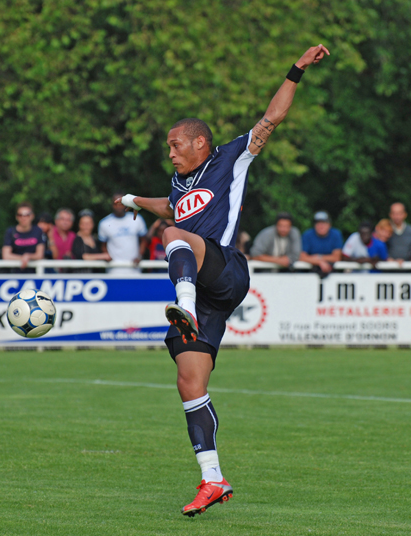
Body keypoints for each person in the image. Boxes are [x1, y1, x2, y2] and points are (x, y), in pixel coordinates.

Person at [115, 45, 330, 516]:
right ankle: (213, 479)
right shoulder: (178, 185)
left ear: (200, 143)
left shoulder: (231, 158)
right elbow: (167, 208)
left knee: (174, 235)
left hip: (227, 270)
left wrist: (296, 68)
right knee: (190, 384)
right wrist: (131, 199)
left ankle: (185, 307)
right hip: (206, 290)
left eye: (175, 144)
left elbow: (272, 117)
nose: (169, 151)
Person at [98, 193, 148, 274]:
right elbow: (103, 245)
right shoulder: (104, 223)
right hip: (114, 268)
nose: (118, 206)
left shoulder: (137, 219)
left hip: (134, 267)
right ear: (112, 205)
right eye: (116, 204)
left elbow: (143, 240)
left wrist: (139, 256)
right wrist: (108, 256)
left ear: (126, 204)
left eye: (121, 203)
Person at [2, 203, 46, 271]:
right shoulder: (10, 231)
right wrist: (22, 258)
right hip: (14, 272)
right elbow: (6, 255)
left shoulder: (38, 231)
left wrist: (29, 256)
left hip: (35, 272)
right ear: (16, 217)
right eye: (20, 215)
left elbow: (40, 254)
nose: (23, 218)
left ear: (32, 216)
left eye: (27, 215)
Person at [299, 211, 343, 276]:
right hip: (311, 271)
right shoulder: (307, 235)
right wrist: (319, 262)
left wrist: (318, 257)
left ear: (329, 224)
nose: (321, 226)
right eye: (318, 223)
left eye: (324, 223)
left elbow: (336, 257)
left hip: (332, 270)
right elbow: (302, 257)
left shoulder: (336, 234)